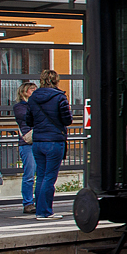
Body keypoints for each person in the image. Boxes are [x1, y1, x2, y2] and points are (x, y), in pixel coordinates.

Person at [25, 69, 72, 220]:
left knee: (41, 176)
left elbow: (29, 120)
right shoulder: (59, 97)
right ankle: (45, 211)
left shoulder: (33, 98)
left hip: (38, 141)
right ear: (56, 80)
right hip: (54, 141)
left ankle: (40, 210)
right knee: (50, 177)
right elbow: (67, 120)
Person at [14, 82, 38, 214]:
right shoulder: (20, 107)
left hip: (39, 141)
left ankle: (40, 201)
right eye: (32, 90)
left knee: (41, 174)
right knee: (29, 174)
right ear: (24, 92)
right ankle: (28, 203)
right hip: (27, 143)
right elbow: (28, 118)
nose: (35, 91)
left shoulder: (36, 105)